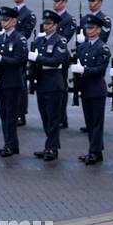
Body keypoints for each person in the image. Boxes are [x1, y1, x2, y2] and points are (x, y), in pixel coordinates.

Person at [30, 9, 70, 161]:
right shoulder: (40, 41)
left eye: (49, 24)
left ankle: (51, 148)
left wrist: (38, 58)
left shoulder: (60, 41)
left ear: (55, 25)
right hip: (41, 82)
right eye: (44, 23)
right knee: (45, 117)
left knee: (53, 119)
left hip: (54, 82)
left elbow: (56, 60)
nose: (45, 26)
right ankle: (50, 145)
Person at [0, 5, 27, 157]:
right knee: (3, 115)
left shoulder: (19, 39)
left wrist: (2, 60)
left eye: (6, 20)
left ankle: (11, 145)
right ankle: (9, 144)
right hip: (1, 81)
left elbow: (20, 60)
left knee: (11, 116)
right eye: (2, 19)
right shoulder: (0, 38)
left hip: (13, 82)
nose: (3, 22)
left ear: (14, 21)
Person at [73, 14, 110, 165]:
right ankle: (95, 150)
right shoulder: (82, 47)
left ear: (99, 30)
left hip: (97, 89)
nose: (89, 30)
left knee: (96, 123)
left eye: (92, 28)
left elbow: (100, 70)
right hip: (85, 89)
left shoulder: (103, 48)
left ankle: (94, 152)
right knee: (89, 122)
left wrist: (84, 69)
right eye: (87, 28)